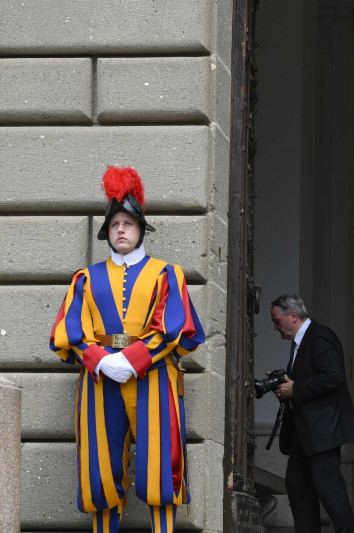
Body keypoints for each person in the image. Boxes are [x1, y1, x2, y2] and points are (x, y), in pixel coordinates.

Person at [50, 166, 205, 533]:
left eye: (128, 223)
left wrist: (132, 360)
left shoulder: (167, 274)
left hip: (154, 376)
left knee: (161, 464)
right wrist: (102, 362)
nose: (121, 229)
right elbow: (70, 333)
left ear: (140, 229)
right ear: (107, 231)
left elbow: (173, 328)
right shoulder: (85, 278)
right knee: (101, 467)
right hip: (100, 379)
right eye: (115, 224)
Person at [270, 294, 354, 533]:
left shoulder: (320, 337)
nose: (275, 327)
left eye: (277, 321)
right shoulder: (300, 341)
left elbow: (334, 377)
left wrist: (296, 389)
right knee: (299, 491)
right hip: (302, 435)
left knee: (329, 490)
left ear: (292, 316)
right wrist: (285, 387)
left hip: (322, 432)